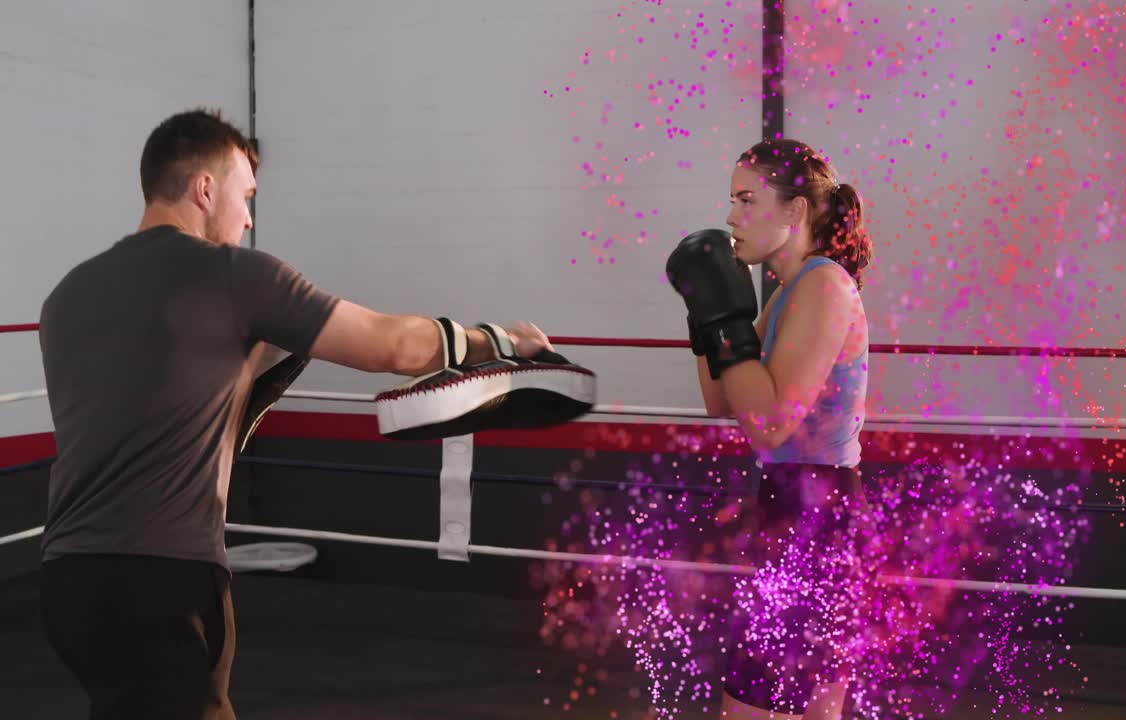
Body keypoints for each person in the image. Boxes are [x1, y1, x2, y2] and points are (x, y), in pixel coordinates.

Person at [35, 108, 555, 720]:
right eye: (245, 195)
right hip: (160, 579)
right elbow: (393, 346)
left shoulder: (65, 296)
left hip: (69, 578)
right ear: (205, 189)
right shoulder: (234, 276)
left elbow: (148, 406)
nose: (249, 217)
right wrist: (497, 341)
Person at [666, 138, 872, 719]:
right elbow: (720, 400)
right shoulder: (787, 292)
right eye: (732, 200)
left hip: (818, 510)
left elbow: (770, 424)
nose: (731, 216)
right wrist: (703, 313)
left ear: (794, 211)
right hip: (793, 506)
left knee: (755, 706)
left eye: (747, 199)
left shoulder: (824, 286)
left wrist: (726, 319)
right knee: (802, 706)